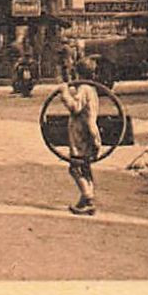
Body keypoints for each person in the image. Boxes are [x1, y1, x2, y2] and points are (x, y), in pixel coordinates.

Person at [57, 59, 102, 216]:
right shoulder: (92, 89)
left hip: (82, 133)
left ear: (78, 73)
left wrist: (64, 93)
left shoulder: (83, 89)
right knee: (85, 166)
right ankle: (87, 198)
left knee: (75, 167)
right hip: (90, 131)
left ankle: (88, 197)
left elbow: (75, 107)